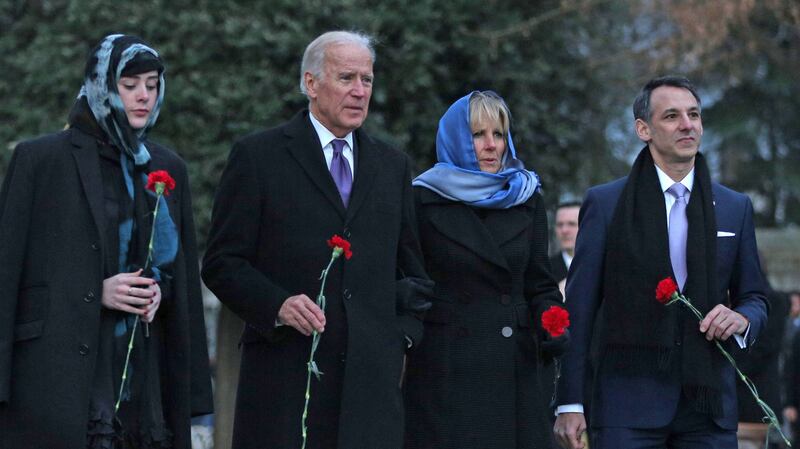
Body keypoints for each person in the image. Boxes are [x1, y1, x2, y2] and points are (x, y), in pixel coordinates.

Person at [201, 31, 430, 449]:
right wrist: (277, 305)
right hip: (284, 383)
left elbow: (412, 270)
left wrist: (400, 337)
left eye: (367, 79)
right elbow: (222, 262)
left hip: (369, 393)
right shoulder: (258, 157)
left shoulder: (392, 165)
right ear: (311, 83)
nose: (360, 91)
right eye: (347, 78)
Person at [0, 34, 213, 449]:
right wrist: (95, 292)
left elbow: (179, 271)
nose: (143, 97)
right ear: (101, 84)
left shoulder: (168, 167)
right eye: (129, 85)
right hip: (57, 375)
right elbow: (8, 272)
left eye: (152, 85)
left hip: (143, 372)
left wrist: (158, 296)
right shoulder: (41, 160)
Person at [553, 75, 768, 449]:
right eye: (671, 116)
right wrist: (569, 402)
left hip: (708, 406)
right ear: (643, 129)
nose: (687, 125)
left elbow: (756, 298)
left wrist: (742, 318)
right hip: (627, 407)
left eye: (694, 114)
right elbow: (580, 309)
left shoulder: (735, 207)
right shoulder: (606, 205)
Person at [404, 91, 566, 449]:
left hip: (514, 367)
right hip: (445, 366)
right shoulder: (422, 198)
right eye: (478, 135)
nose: (492, 145)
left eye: (499, 133)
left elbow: (540, 283)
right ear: (456, 140)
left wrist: (553, 321)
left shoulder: (526, 195)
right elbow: (408, 279)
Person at [550, 201, 581, 295]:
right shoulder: (546, 269)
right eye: (560, 225)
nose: (564, 230)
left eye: (572, 224)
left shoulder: (601, 266)